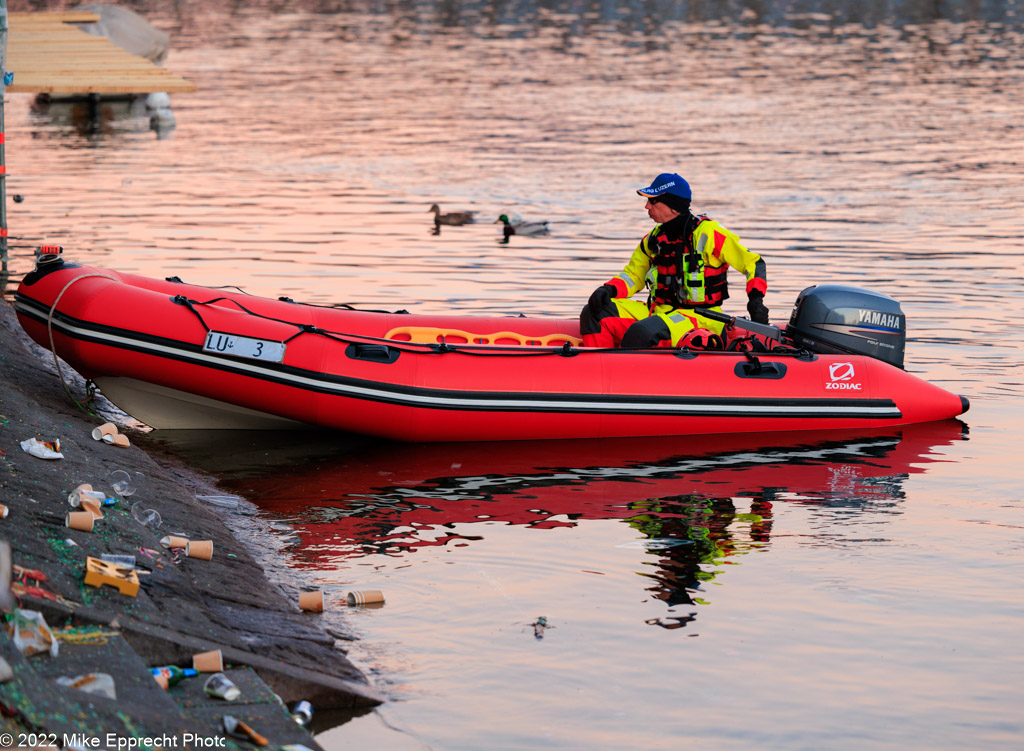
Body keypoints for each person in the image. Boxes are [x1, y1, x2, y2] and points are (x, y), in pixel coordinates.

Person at [580, 173, 769, 349]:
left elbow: (753, 263)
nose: (647, 206)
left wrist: (756, 300)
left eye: (653, 201)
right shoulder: (653, 239)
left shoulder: (709, 233)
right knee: (594, 312)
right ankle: (599, 372)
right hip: (658, 311)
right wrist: (609, 289)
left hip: (700, 317)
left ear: (672, 205)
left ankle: (628, 377)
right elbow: (633, 275)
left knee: (643, 332)